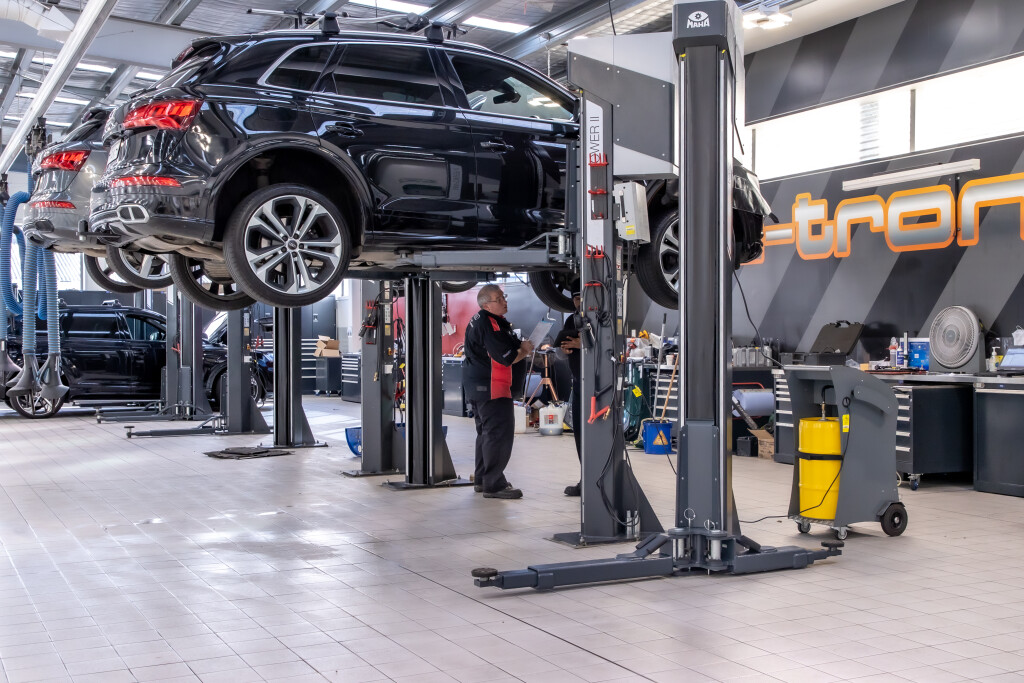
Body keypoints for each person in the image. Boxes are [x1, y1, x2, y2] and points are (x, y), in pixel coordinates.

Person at [464, 284, 534, 499]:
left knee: (486, 434)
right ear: (486, 304)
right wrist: (525, 351)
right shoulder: (490, 324)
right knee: (498, 435)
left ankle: (482, 479)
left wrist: (520, 345)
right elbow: (507, 358)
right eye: (499, 299)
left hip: (481, 387)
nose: (505, 301)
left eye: (504, 296)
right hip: (493, 388)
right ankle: (494, 484)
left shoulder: (486, 320)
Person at [554, 293, 584, 496]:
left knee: (598, 432)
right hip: (579, 383)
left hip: (599, 386)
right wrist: (564, 350)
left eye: (582, 296)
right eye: (575, 298)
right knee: (580, 433)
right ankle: (586, 478)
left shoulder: (604, 318)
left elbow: (612, 347)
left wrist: (583, 344)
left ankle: (601, 479)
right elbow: (559, 351)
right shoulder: (571, 320)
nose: (578, 301)